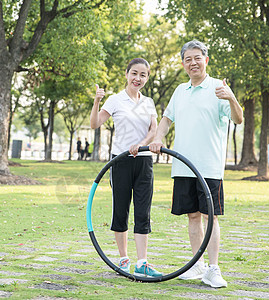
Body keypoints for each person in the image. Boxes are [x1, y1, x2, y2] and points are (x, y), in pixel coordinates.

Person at [149, 40, 243, 288]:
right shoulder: (180, 90)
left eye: (197, 58)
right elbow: (167, 118)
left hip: (209, 166)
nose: (193, 63)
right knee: (192, 216)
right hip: (183, 166)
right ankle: (197, 265)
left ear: (206, 60)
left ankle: (213, 268)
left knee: (210, 216)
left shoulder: (218, 88)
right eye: (188, 59)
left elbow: (238, 118)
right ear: (183, 63)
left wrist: (232, 98)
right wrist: (158, 137)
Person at [90, 58, 161, 277]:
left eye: (143, 75)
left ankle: (143, 262)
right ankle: (123, 259)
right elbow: (94, 124)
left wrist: (141, 145)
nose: (138, 78)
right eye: (134, 74)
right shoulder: (115, 100)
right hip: (120, 161)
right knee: (120, 210)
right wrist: (96, 102)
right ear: (126, 74)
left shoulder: (148, 102)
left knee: (143, 211)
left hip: (144, 160)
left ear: (147, 78)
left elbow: (154, 129)